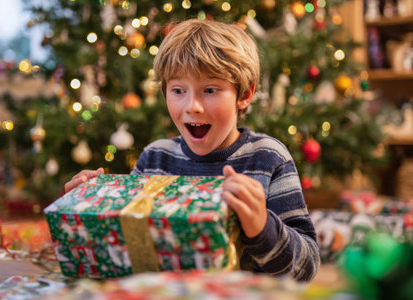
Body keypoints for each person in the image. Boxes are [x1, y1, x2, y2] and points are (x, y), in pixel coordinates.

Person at [64, 19, 320, 282]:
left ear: (244, 94)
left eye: (210, 89)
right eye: (178, 90)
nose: (192, 106)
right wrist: (84, 211)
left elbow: (306, 268)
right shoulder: (155, 159)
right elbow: (122, 251)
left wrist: (261, 227)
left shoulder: (268, 158)